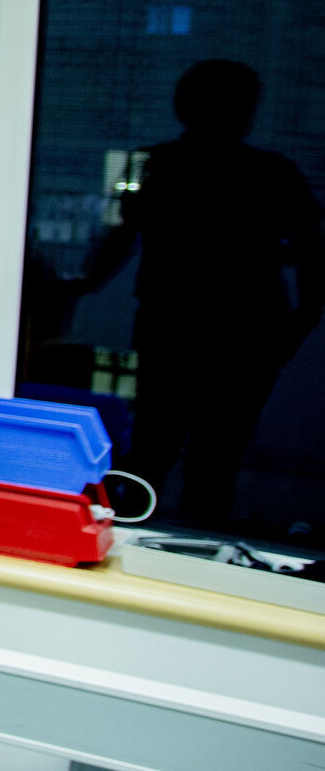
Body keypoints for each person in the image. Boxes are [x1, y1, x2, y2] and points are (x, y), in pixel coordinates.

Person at [86, 59, 324, 526]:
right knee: (211, 454)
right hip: (243, 329)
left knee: (159, 445)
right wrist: (302, 318)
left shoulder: (155, 164)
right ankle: (191, 541)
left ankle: (130, 533)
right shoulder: (271, 173)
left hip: (179, 324)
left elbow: (119, 237)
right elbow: (312, 250)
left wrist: (84, 284)